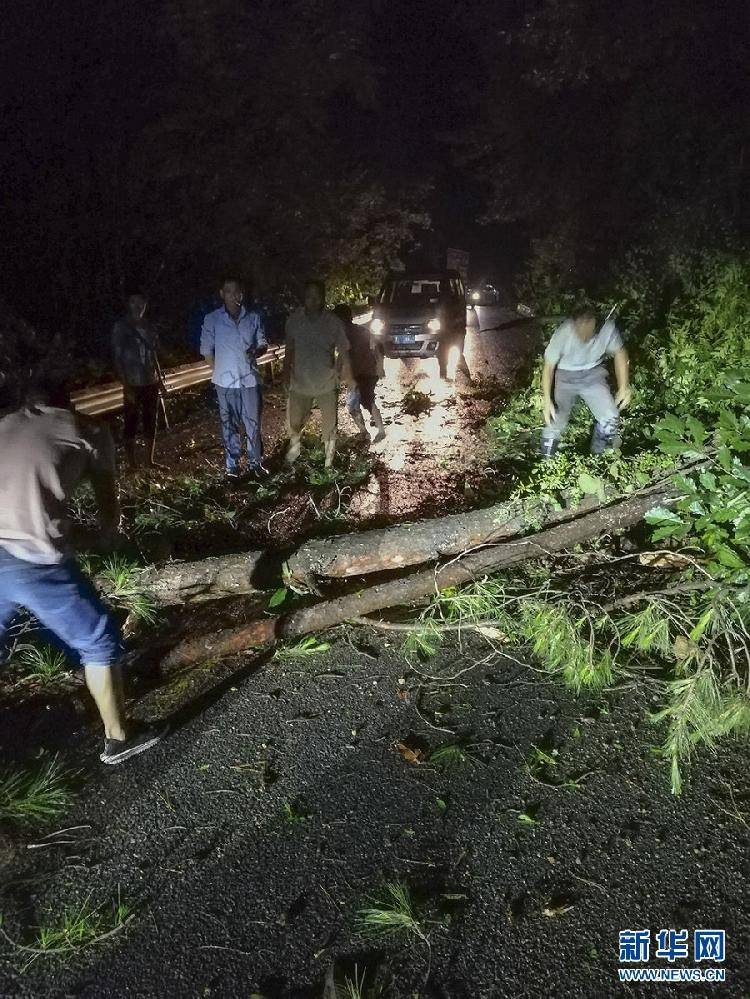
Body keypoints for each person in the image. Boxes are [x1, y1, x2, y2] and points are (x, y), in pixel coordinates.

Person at [0, 377, 165, 764]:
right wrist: (99, 539)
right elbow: (109, 518)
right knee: (99, 639)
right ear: (68, 404)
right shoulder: (89, 431)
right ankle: (119, 739)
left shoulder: (4, 425)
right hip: (32, 561)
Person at [540, 306, 633, 457]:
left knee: (610, 417)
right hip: (565, 375)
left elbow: (620, 352)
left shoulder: (606, 328)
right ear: (574, 324)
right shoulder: (563, 333)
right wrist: (547, 400)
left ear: (595, 323)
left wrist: (624, 387)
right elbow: (549, 367)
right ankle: (546, 459)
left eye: (588, 328)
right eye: (579, 329)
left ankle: (598, 457)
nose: (583, 336)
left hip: (593, 374)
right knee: (555, 417)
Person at [200, 276, 268, 480]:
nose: (233, 296)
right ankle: (232, 467)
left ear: (242, 293)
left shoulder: (253, 318)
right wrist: (219, 372)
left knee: (253, 424)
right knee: (229, 426)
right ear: (222, 294)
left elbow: (263, 342)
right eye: (228, 291)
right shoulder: (212, 319)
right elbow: (206, 351)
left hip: (249, 381)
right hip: (225, 383)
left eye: (236, 291)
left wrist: (257, 351)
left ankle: (256, 464)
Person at [284, 281, 352, 469]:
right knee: (295, 421)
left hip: (326, 383)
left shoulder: (333, 323)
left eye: (316, 296)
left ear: (323, 298)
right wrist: (284, 374)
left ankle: (328, 461)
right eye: (308, 296)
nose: (312, 300)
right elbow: (289, 349)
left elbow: (344, 349)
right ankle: (295, 447)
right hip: (300, 382)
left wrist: (345, 372)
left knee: (330, 425)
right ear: (304, 298)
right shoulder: (294, 321)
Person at [111, 292, 165, 470]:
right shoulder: (122, 327)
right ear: (128, 303)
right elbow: (117, 358)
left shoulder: (149, 326)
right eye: (133, 301)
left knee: (151, 420)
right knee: (131, 421)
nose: (137, 305)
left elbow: (153, 353)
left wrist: (160, 378)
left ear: (145, 304)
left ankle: (149, 461)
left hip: (150, 380)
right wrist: (125, 384)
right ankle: (132, 463)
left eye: (141, 302)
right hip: (132, 382)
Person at [333, 304, 386, 443]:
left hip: (359, 374)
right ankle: (375, 431)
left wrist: (336, 372)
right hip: (369, 371)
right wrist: (380, 367)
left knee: (354, 405)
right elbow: (377, 348)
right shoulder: (362, 330)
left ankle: (369, 432)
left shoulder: (344, 334)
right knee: (367, 400)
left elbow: (342, 356)